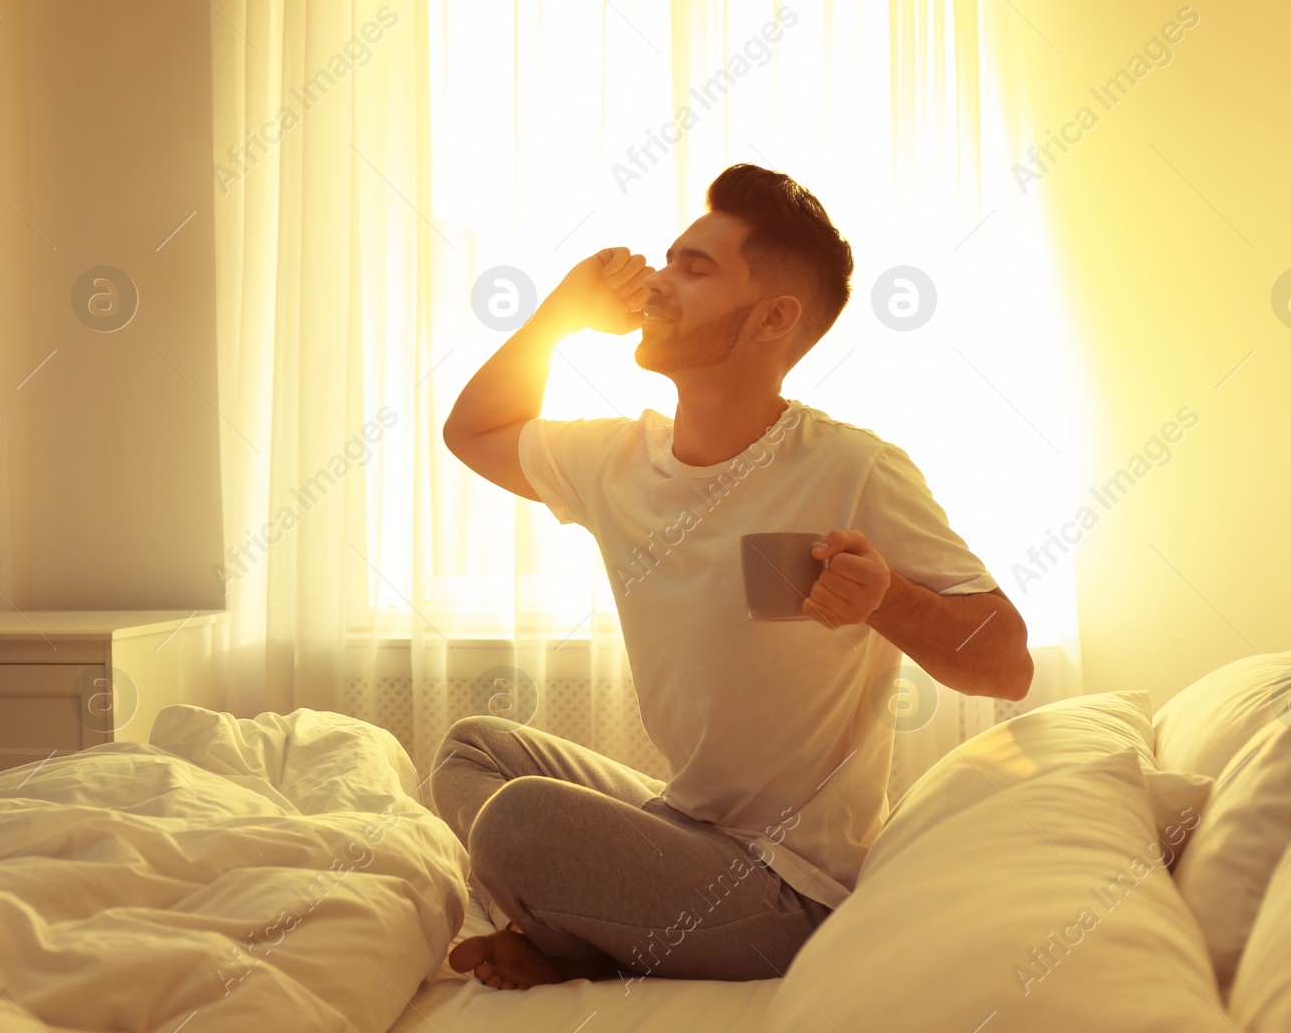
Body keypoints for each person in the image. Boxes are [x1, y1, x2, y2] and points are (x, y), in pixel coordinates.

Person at [435, 164, 1032, 991]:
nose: (658, 281)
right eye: (670, 257)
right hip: (686, 823)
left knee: (519, 822)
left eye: (696, 268)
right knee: (474, 750)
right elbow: (474, 430)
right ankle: (589, 936)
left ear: (774, 318)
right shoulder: (614, 459)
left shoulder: (853, 470)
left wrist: (889, 598)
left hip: (789, 887)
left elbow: (1006, 663)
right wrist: (560, 314)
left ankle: (579, 940)